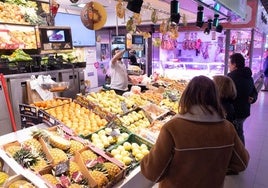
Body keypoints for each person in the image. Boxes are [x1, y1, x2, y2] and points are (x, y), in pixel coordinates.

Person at [140, 75, 249, 188]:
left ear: (187, 95)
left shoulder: (172, 128)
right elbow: (241, 163)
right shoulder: (227, 128)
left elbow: (152, 173)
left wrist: (145, 159)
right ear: (215, 96)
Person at [227, 53, 258, 145]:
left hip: (235, 112)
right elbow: (254, 92)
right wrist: (253, 98)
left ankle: (240, 154)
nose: (229, 65)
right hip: (244, 111)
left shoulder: (231, 77)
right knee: (238, 130)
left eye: (230, 63)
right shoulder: (249, 76)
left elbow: (226, 94)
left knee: (238, 133)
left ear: (235, 64)